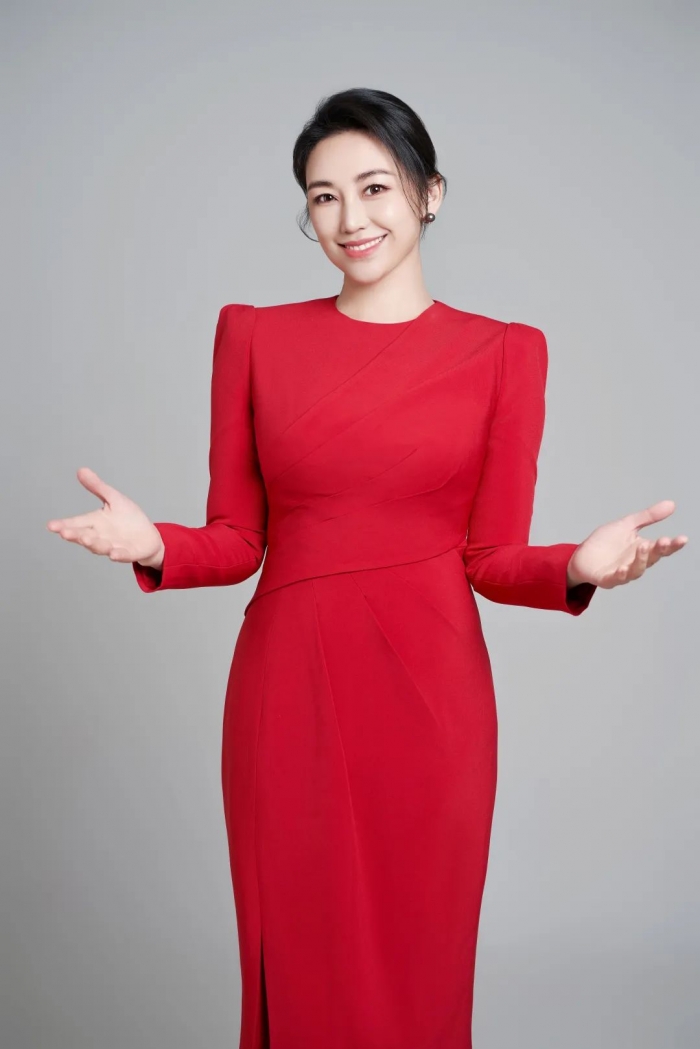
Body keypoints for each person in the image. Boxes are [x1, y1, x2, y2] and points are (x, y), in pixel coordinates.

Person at [46, 87, 688, 1049]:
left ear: (430, 193)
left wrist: (576, 565)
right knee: (298, 963)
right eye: (324, 196)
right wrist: (156, 546)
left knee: (421, 973)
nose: (350, 217)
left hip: (432, 702)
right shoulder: (254, 337)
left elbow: (491, 559)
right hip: (290, 692)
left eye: (375, 187)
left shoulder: (506, 353)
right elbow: (238, 539)